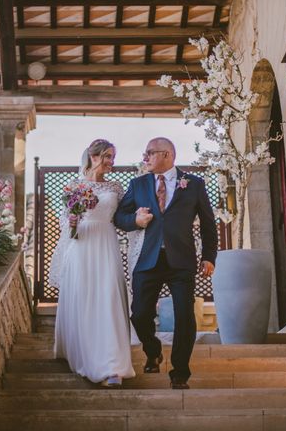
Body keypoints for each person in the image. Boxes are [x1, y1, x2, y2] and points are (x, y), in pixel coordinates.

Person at [114, 137, 218, 390]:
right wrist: (134, 222)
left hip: (181, 261)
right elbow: (119, 216)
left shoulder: (193, 184)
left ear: (167, 155)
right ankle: (153, 351)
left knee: (185, 316)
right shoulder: (137, 184)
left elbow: (207, 223)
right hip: (146, 259)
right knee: (139, 315)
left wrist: (209, 257)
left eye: (150, 153)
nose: (145, 158)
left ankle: (180, 372)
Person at [49, 139, 136, 387]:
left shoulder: (116, 187)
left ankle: (113, 365)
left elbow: (122, 218)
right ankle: (82, 351)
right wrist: (73, 224)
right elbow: (66, 225)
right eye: (107, 156)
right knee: (84, 297)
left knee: (108, 297)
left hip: (106, 244)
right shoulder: (73, 186)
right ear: (93, 156)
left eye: (113, 157)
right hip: (81, 245)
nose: (111, 162)